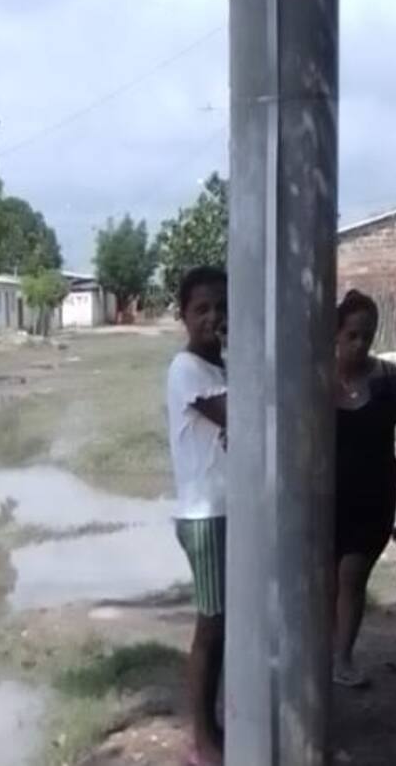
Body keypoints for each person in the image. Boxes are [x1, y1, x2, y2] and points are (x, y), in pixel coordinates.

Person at [333, 290, 396, 688]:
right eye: (352, 335)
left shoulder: (389, 380)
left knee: (352, 574)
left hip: (375, 495)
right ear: (335, 334)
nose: (360, 344)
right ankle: (320, 653)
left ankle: (342, 659)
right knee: (324, 580)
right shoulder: (316, 380)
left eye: (367, 335)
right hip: (327, 498)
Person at [166, 265, 229, 765]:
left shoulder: (223, 368)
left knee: (228, 624)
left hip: (231, 511)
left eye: (223, 307)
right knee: (211, 625)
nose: (214, 317)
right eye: (202, 309)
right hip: (206, 515)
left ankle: (217, 725)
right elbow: (246, 414)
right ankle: (202, 740)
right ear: (183, 316)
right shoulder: (187, 369)